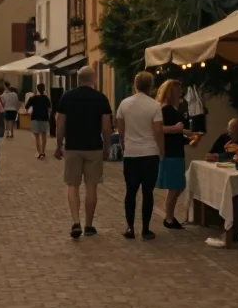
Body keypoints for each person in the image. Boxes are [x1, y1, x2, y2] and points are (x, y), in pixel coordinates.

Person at [55, 66, 113, 239]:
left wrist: (59, 145)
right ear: (93, 79)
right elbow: (106, 127)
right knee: (91, 186)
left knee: (72, 185)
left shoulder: (67, 97)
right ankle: (88, 224)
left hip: (73, 146)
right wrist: (107, 146)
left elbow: (60, 124)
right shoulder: (101, 98)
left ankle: (75, 221)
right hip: (94, 147)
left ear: (78, 79)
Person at [116, 72, 164, 240]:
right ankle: (146, 228)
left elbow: (120, 131)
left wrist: (124, 143)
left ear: (135, 84)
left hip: (131, 152)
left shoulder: (124, 104)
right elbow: (158, 131)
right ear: (150, 86)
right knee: (148, 192)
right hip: (150, 152)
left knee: (131, 191)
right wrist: (161, 150)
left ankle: (130, 227)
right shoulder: (155, 106)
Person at [156, 79, 190, 230]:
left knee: (177, 185)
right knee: (176, 185)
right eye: (178, 89)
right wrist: (177, 129)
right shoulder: (166, 109)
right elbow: (159, 129)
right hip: (171, 151)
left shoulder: (172, 109)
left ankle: (169, 216)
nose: (180, 92)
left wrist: (185, 134)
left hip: (175, 149)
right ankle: (169, 217)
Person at [25, 83, 53, 160]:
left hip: (35, 118)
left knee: (37, 137)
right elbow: (50, 109)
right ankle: (43, 151)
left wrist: (28, 113)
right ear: (44, 89)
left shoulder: (33, 98)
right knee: (44, 136)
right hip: (45, 118)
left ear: (37, 89)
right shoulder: (46, 98)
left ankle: (39, 152)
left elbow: (26, 107)